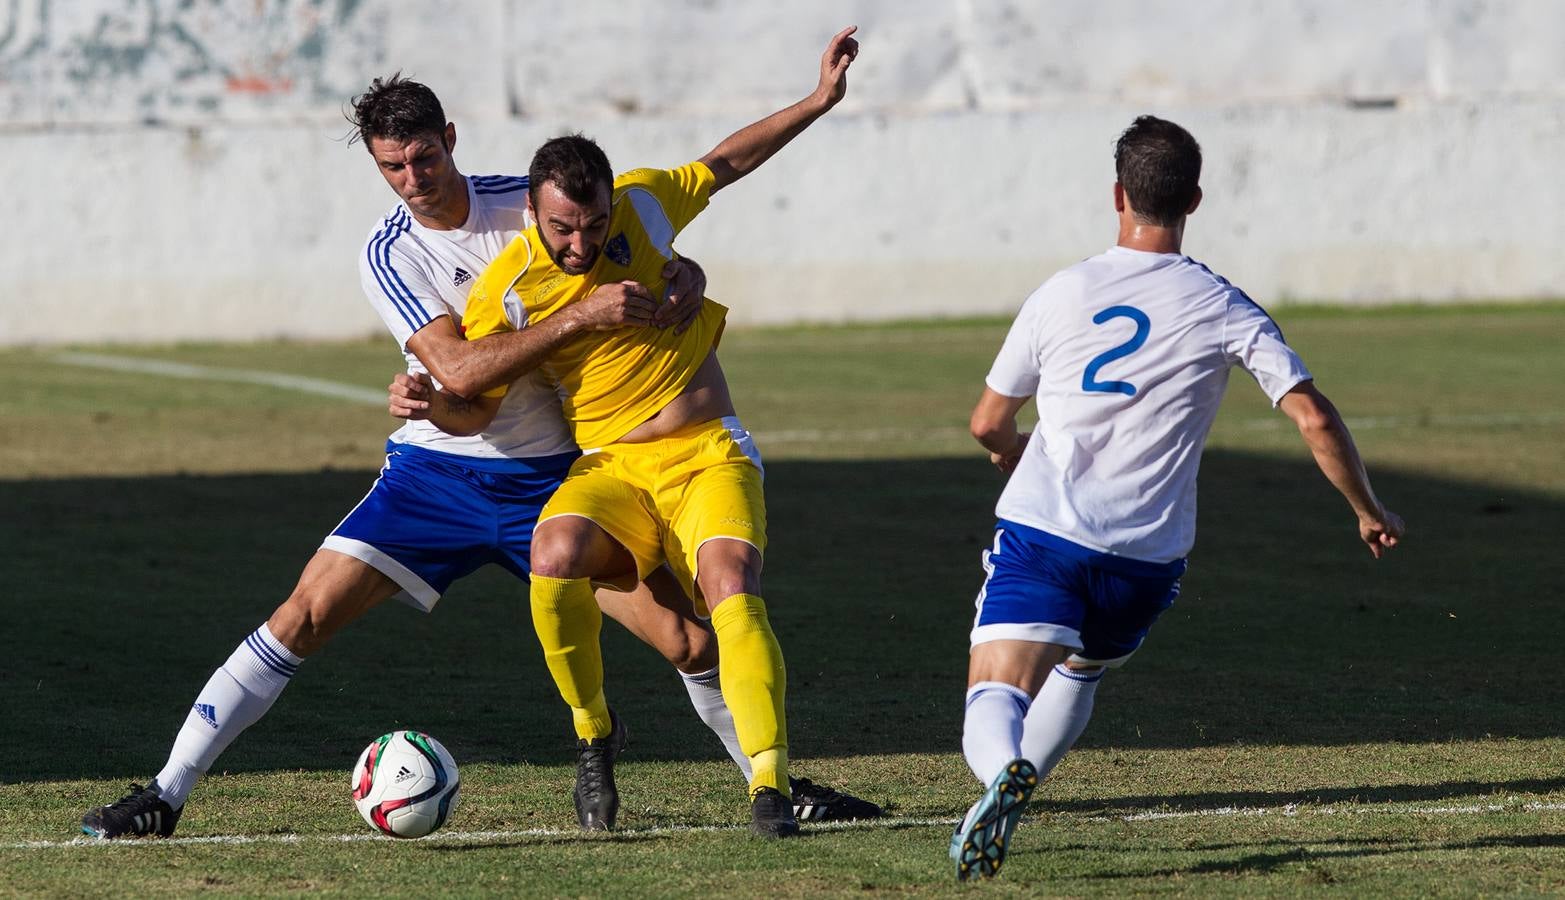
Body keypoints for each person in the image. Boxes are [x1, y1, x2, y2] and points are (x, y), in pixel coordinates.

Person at [80, 72, 875, 840]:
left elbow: (650, 223)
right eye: (391, 165)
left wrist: (682, 273)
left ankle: (775, 787)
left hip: (558, 475)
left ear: (449, 140)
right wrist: (567, 326)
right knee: (303, 616)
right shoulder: (389, 253)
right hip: (438, 473)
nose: (411, 178)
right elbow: (457, 371)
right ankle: (166, 792)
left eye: (423, 156)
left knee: (691, 641)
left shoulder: (535, 202)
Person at [395, 26, 860, 838]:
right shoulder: (507, 289)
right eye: (562, 229)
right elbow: (477, 404)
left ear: (615, 202)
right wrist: (431, 406)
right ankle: (592, 734)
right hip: (611, 466)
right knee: (553, 557)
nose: (580, 245)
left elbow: (726, 162)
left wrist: (818, 100)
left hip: (708, 451)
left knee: (730, 596)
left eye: (593, 225)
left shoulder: (645, 204)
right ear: (532, 213)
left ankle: (770, 788)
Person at [948, 115, 1406, 880]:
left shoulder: (1062, 290)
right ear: (1193, 199)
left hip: (1048, 530)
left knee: (995, 686)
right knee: (1083, 670)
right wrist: (1367, 509)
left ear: (1117, 194)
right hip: (1147, 556)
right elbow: (1313, 414)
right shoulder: (1222, 303)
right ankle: (1014, 793)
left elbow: (988, 422)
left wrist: (1011, 455)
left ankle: (1001, 772)